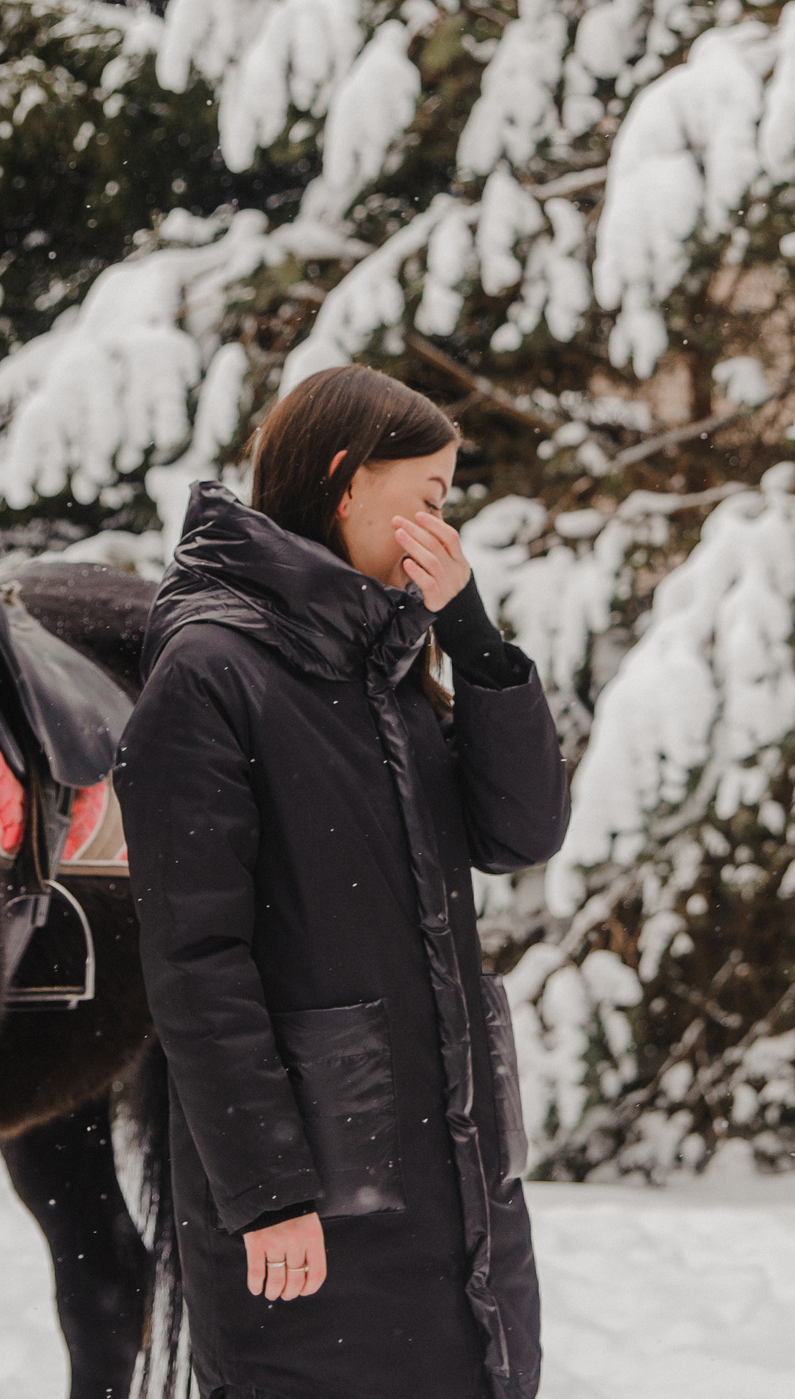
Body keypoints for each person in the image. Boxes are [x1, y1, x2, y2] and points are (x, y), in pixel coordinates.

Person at [120, 366, 567, 1399]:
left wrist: (472, 632)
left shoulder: (381, 663)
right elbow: (196, 961)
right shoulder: (210, 671)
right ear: (343, 479)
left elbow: (520, 829)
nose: (440, 521)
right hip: (316, 1203)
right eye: (430, 492)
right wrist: (267, 1188)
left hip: (450, 1187)